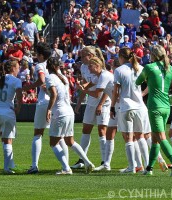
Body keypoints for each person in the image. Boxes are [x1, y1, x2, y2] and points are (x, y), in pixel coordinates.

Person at [136, 45, 172, 176]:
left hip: (155, 106)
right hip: (166, 106)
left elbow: (138, 81)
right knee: (155, 139)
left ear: (153, 55)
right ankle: (149, 169)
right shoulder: (170, 68)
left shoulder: (149, 67)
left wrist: (148, 78)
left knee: (160, 137)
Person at [23, 43, 68, 174]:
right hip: (58, 103)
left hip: (45, 102)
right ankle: (66, 165)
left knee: (38, 133)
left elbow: (42, 80)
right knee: (59, 137)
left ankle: (34, 165)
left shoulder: (40, 65)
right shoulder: (55, 66)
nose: (35, 56)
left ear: (41, 55)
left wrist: (27, 87)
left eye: (36, 53)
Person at [45, 57, 95, 175]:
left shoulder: (50, 77)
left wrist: (48, 109)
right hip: (69, 111)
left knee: (53, 143)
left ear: (48, 66)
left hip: (60, 112)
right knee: (70, 141)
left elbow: (54, 94)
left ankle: (66, 168)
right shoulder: (63, 77)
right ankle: (87, 162)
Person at [109, 47, 150, 173]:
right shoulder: (140, 68)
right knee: (140, 136)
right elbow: (151, 84)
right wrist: (142, 94)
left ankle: (132, 167)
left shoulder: (119, 70)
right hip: (140, 107)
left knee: (128, 138)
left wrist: (112, 106)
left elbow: (115, 92)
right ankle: (148, 166)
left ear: (121, 57)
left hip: (126, 106)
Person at [71, 46, 109, 169]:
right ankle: (82, 159)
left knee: (101, 131)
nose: (81, 58)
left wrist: (101, 104)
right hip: (92, 100)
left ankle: (104, 162)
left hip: (102, 101)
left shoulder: (101, 69)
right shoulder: (83, 67)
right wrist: (78, 103)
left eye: (83, 56)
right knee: (86, 129)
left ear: (91, 56)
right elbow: (86, 85)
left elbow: (106, 90)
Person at [77, 56, 117, 171]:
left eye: (90, 65)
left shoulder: (104, 76)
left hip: (117, 105)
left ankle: (106, 162)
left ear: (98, 66)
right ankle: (106, 164)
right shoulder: (99, 75)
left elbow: (96, 94)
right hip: (117, 104)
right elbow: (90, 84)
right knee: (127, 135)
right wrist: (83, 86)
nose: (87, 68)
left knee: (129, 135)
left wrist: (83, 90)